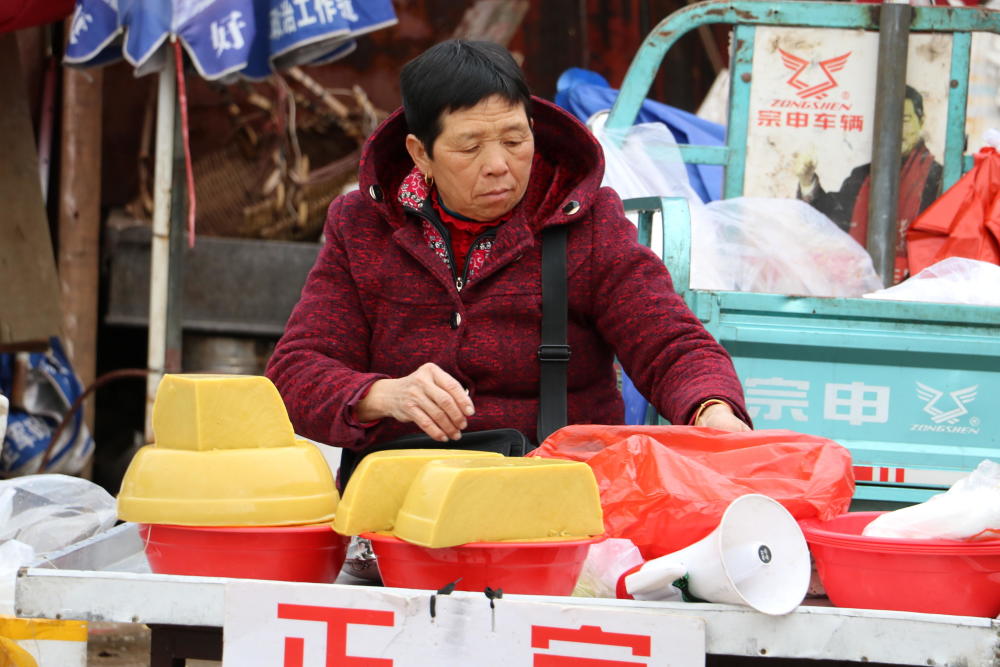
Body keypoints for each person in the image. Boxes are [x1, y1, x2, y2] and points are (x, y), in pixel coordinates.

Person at [265, 40, 751, 484]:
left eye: (515, 140)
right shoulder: (363, 225)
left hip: (559, 491)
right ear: (421, 154)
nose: (498, 163)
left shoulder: (587, 220)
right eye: (470, 147)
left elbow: (669, 341)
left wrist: (710, 409)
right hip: (403, 494)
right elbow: (295, 373)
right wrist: (382, 396)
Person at [795, 85, 943, 284]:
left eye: (906, 120)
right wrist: (808, 181)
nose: (897, 130)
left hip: (916, 289)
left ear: (921, 121)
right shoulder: (862, 176)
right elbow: (831, 221)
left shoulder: (938, 179)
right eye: (889, 122)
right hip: (858, 284)